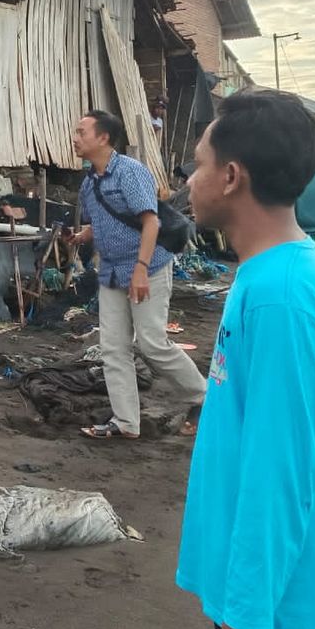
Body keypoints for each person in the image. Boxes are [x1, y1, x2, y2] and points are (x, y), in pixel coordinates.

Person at [176, 88, 315, 629]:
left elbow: (281, 468)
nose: (189, 181)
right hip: (286, 588)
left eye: (199, 165)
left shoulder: (281, 295)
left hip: (296, 605)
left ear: (232, 176)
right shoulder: (274, 270)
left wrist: (245, 615)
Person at [66, 110, 206, 440]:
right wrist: (84, 236)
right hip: (111, 272)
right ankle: (126, 422)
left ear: (103, 138)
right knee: (113, 348)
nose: (75, 137)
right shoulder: (89, 183)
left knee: (152, 343)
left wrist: (141, 270)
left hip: (148, 267)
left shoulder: (130, 172)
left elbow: (150, 221)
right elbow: (101, 222)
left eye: (81, 131)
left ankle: (204, 396)